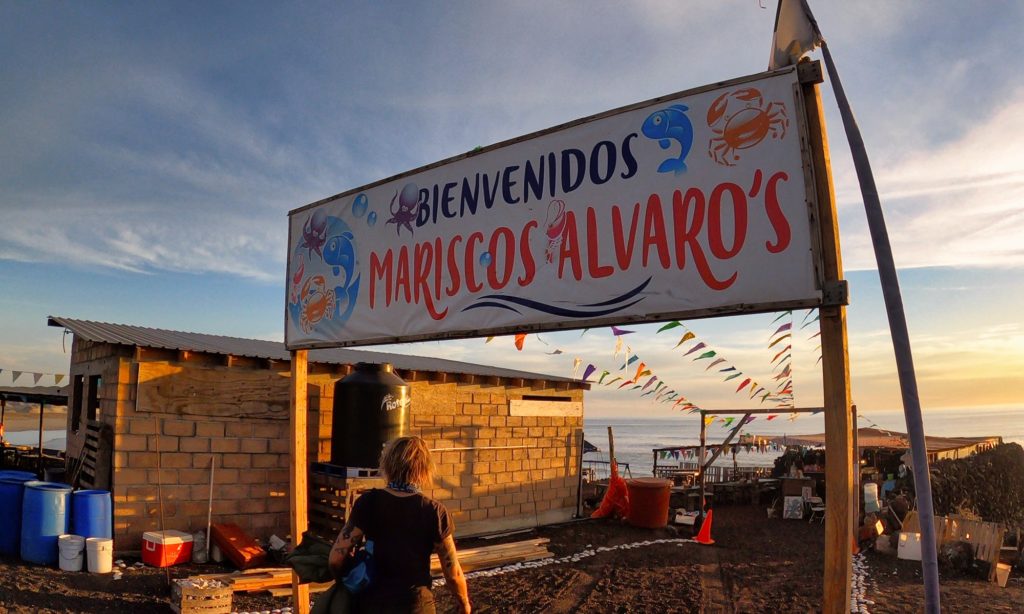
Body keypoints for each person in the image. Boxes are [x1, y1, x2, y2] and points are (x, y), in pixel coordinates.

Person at [329, 436, 471, 614]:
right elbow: (453, 573)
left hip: (372, 603)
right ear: (424, 469)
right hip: (416, 605)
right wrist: (464, 602)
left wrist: (345, 582)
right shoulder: (435, 512)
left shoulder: (368, 502)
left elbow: (335, 558)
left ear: (387, 464)